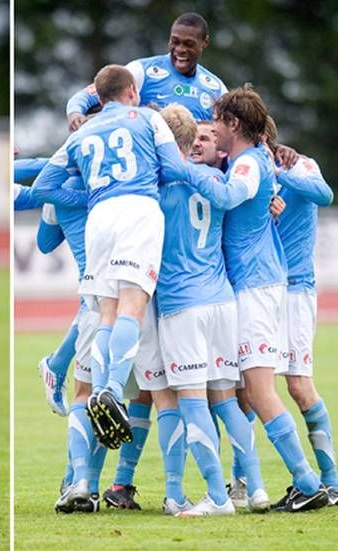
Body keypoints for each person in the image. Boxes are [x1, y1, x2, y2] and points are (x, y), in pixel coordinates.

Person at [182, 86, 329, 512]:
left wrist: (181, 168)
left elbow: (231, 196)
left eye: (217, 121)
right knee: (249, 390)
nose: (213, 129)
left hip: (256, 287)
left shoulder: (248, 162)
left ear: (233, 123)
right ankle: (254, 485)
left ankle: (307, 481)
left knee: (262, 390)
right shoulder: (249, 160)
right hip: (257, 285)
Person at [33, 65, 187, 451]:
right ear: (132, 90)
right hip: (139, 210)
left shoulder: (82, 132)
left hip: (99, 218)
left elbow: (43, 186)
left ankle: (101, 387)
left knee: (107, 312)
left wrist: (88, 196)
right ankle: (113, 390)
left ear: (99, 98)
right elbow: (174, 168)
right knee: (132, 308)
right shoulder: (150, 118)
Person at [154, 105, 272, 516]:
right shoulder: (217, 178)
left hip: (181, 305)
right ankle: (255, 488)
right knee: (225, 401)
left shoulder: (159, 186)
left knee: (191, 403)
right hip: (222, 300)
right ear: (192, 140)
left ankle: (218, 498)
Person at [265, 118, 338, 505]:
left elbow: (323, 194)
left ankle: (331, 481)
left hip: (294, 290)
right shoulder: (239, 170)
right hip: (259, 290)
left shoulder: (298, 164)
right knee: (248, 389)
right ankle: (244, 484)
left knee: (297, 385)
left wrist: (281, 173)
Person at [66, 12, 226, 130]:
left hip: (193, 165)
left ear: (204, 42)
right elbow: (87, 95)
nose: (180, 49)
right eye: (175, 42)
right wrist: (75, 114)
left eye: (188, 44)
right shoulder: (141, 71)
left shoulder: (216, 88)